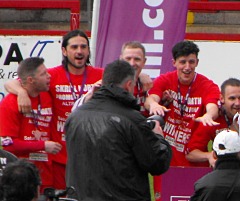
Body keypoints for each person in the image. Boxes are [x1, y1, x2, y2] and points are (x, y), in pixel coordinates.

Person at [3, 30, 104, 190]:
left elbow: (124, 80)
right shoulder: (51, 76)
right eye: (74, 47)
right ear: (64, 51)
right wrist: (21, 92)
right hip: (60, 156)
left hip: (91, 152)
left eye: (84, 47)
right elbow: (13, 83)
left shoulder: (101, 75)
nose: (79, 51)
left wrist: (141, 77)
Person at [65, 60, 171, 201]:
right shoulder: (132, 119)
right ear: (128, 85)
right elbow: (158, 163)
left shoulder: (75, 116)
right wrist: (158, 137)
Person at [145, 40, 221, 167]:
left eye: (191, 62)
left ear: (197, 62)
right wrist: (154, 104)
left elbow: (212, 105)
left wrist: (209, 115)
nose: (187, 67)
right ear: (174, 63)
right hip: (167, 161)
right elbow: (150, 99)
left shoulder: (206, 84)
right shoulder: (165, 80)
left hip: (194, 163)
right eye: (182, 62)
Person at [0, 57, 58, 192]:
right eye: (43, 74)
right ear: (31, 80)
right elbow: (7, 145)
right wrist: (42, 145)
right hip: (21, 178)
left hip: (45, 174)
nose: (49, 76)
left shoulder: (46, 94)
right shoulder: (10, 103)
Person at [186, 78, 240, 167]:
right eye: (232, 98)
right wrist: (209, 156)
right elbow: (190, 153)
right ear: (222, 98)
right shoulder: (214, 119)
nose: (237, 103)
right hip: (225, 169)